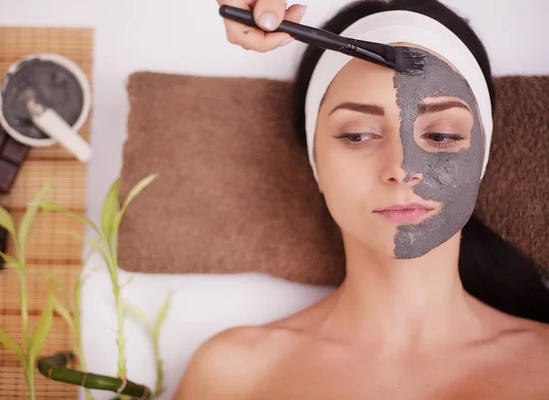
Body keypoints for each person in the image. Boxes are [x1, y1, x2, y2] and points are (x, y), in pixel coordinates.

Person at [173, 1, 549, 398]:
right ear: (316, 160)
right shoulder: (234, 374)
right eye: (358, 135)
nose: (403, 169)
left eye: (440, 136)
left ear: (483, 157)